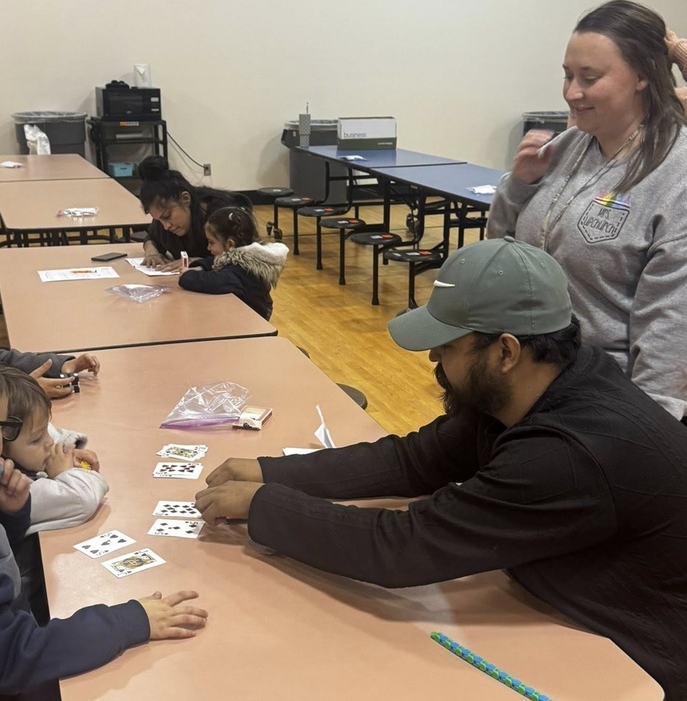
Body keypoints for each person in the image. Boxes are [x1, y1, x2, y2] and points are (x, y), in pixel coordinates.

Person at [195, 237, 687, 700]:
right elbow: (411, 460)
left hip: (638, 659)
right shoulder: (539, 380)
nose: (432, 355)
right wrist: (270, 471)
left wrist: (264, 505)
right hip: (560, 602)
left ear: (506, 351)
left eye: (448, 346)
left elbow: (401, 549)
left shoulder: (566, 455)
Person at [0, 345, 207, 699]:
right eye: (3, 427)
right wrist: (129, 622)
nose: (6, 442)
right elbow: (11, 657)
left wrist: (9, 515)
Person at [486, 0, 687, 422]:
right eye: (567, 75)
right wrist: (518, 186)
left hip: (602, 402)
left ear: (642, 77)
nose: (571, 92)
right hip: (522, 381)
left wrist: (649, 428)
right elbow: (499, 251)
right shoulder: (563, 148)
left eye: (589, 78)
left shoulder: (676, 176)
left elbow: (670, 324)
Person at [0, 366, 108, 622]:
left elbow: (48, 433)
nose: (49, 443)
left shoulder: (22, 449)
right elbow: (82, 498)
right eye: (37, 440)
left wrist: (65, 452)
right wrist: (63, 472)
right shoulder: (11, 486)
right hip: (28, 606)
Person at [138, 156, 251, 271]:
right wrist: (151, 252)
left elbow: (243, 257)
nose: (166, 226)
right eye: (158, 220)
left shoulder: (223, 216)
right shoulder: (165, 218)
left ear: (185, 198)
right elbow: (152, 237)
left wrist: (201, 262)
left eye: (167, 216)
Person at [178, 207, 288, 320]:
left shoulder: (242, 269)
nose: (208, 248)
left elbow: (217, 282)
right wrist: (201, 266)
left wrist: (187, 276)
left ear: (230, 244)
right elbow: (217, 262)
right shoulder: (244, 259)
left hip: (251, 325)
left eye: (211, 242)